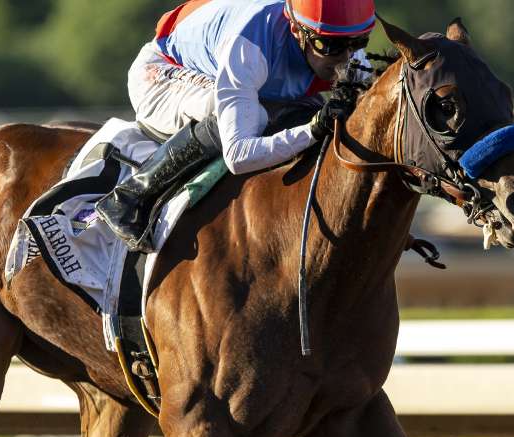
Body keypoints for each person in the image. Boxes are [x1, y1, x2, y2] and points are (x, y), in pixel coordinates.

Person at [95, 0, 376, 253]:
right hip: (160, 74)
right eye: (330, 47)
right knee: (256, 118)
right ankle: (130, 197)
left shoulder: (342, 42)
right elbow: (239, 155)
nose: (346, 58)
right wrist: (312, 129)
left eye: (359, 42)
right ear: (296, 30)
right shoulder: (249, 47)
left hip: (240, 75)